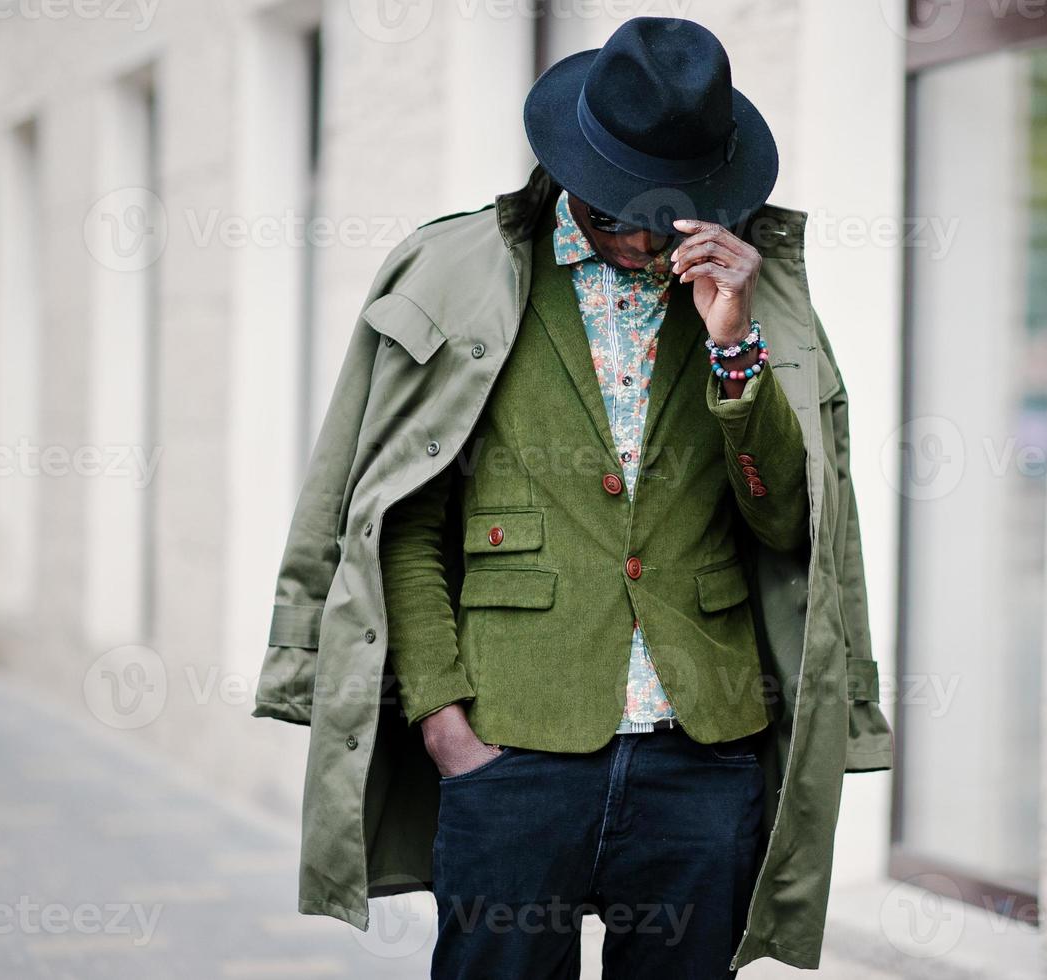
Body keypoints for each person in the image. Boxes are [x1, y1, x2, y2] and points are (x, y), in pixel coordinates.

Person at [253, 16, 892, 979]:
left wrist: (733, 346)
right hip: (512, 746)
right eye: (615, 214)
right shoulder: (461, 274)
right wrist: (442, 717)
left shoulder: (758, 298)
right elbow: (403, 518)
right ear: (571, 173)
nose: (639, 241)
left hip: (702, 757)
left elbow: (785, 520)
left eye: (663, 217)